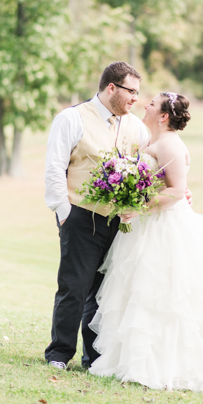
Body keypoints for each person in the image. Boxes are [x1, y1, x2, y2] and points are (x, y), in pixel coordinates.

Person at [87, 93, 203, 392]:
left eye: (151, 103)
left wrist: (139, 205)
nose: (145, 105)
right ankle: (133, 361)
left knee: (166, 295)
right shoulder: (150, 140)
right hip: (148, 225)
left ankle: (170, 366)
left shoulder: (169, 142)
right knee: (140, 294)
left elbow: (176, 191)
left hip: (166, 228)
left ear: (162, 116)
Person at [44, 61, 149, 369]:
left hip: (120, 224)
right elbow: (54, 168)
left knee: (104, 293)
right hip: (79, 217)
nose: (135, 100)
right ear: (111, 87)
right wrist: (64, 213)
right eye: (131, 92)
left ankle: (95, 359)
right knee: (74, 287)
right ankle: (59, 354)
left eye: (139, 93)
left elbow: (150, 167)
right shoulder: (71, 118)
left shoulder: (136, 127)